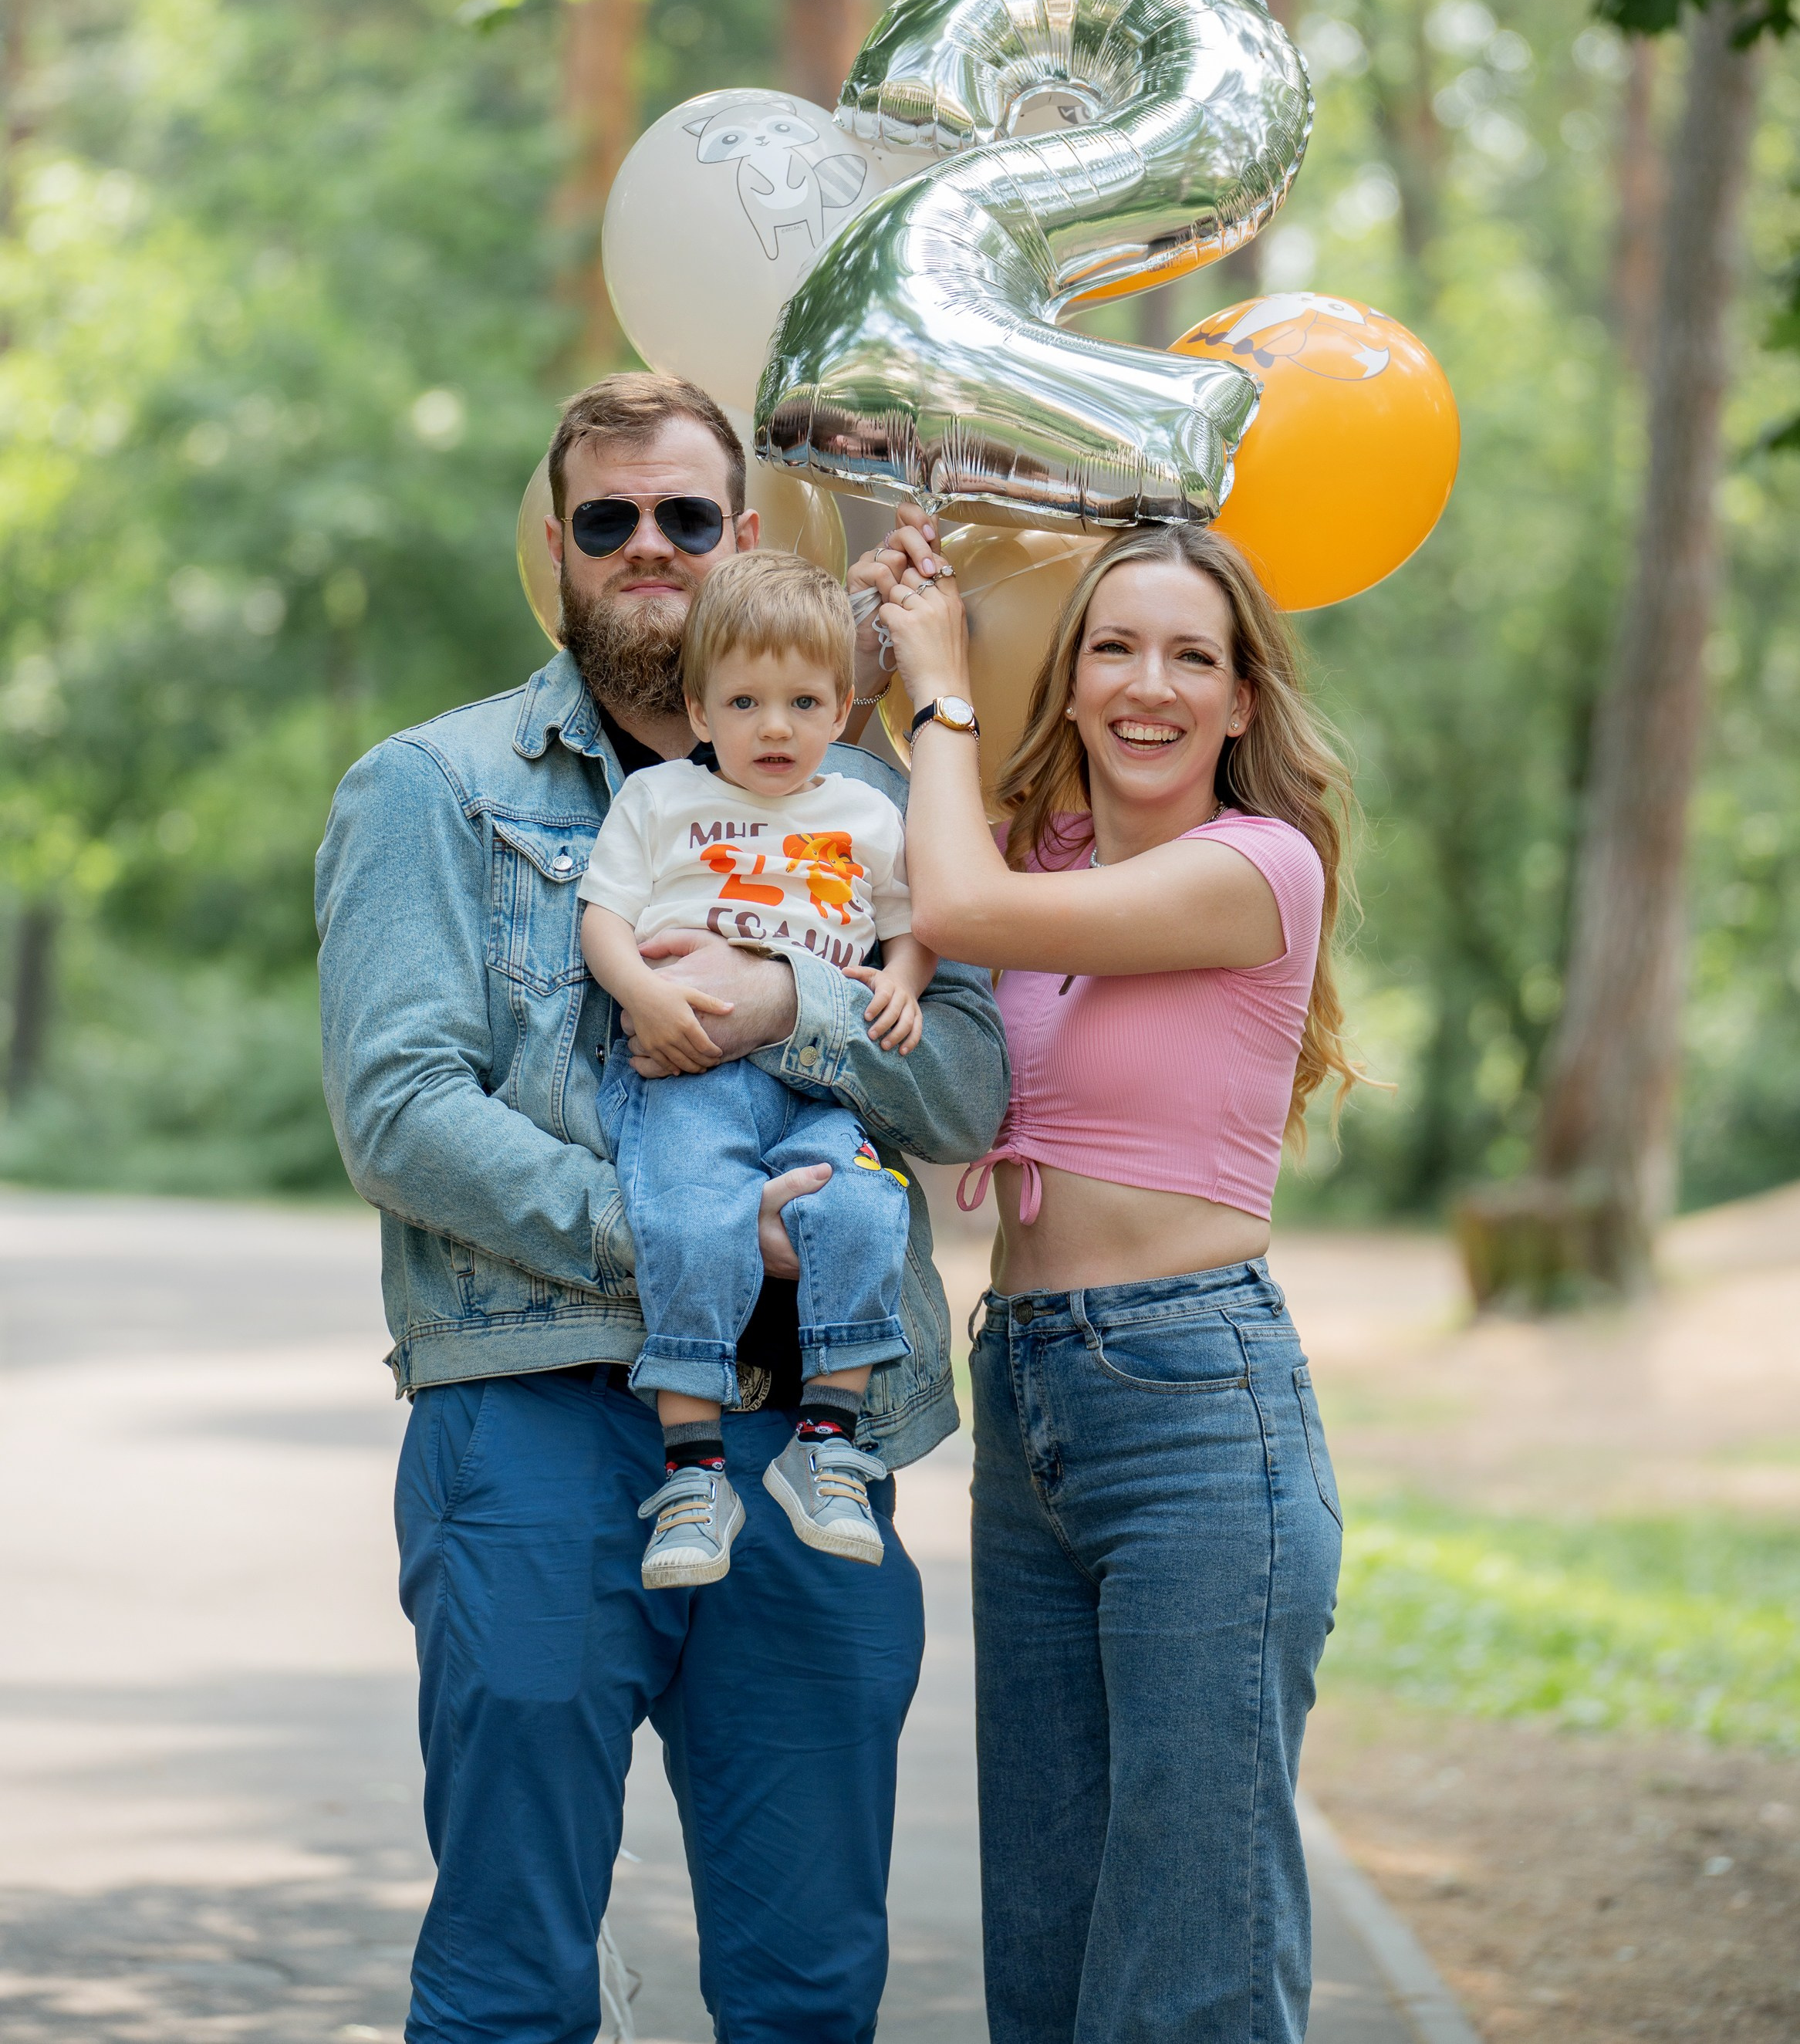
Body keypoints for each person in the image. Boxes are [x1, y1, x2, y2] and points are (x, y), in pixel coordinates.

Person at [315, 373, 1008, 2044]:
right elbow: (402, 1113)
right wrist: (687, 1239)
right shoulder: (431, 788)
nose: (646, 545)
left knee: (808, 1981)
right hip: (531, 1421)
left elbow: (972, 1085)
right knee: (511, 1980)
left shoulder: (869, 807)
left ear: (742, 539)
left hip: (807, 1441)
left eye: (684, 516)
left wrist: (791, 1002)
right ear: (554, 546)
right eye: (606, 518)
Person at [873, 519, 1355, 2044]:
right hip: (1025, 1396)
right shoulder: (1048, 854)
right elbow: (907, 833)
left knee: (1193, 1937)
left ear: (1239, 702)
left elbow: (952, 902)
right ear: (1069, 682)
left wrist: (943, 684)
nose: (1151, 684)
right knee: (1051, 1916)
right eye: (1114, 648)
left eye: (1192, 657)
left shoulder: (1258, 867)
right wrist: (910, 603)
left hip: (1194, 1408)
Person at [579, 548, 937, 1584]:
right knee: (689, 1221)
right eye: (743, 701)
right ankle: (691, 1472)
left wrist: (903, 981)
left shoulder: (868, 815)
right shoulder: (659, 803)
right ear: (699, 710)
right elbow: (604, 917)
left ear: (838, 709)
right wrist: (641, 994)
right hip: (687, 1075)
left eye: (802, 701)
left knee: (869, 1209)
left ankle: (825, 1443)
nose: (773, 726)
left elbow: (910, 928)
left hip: (822, 1083)